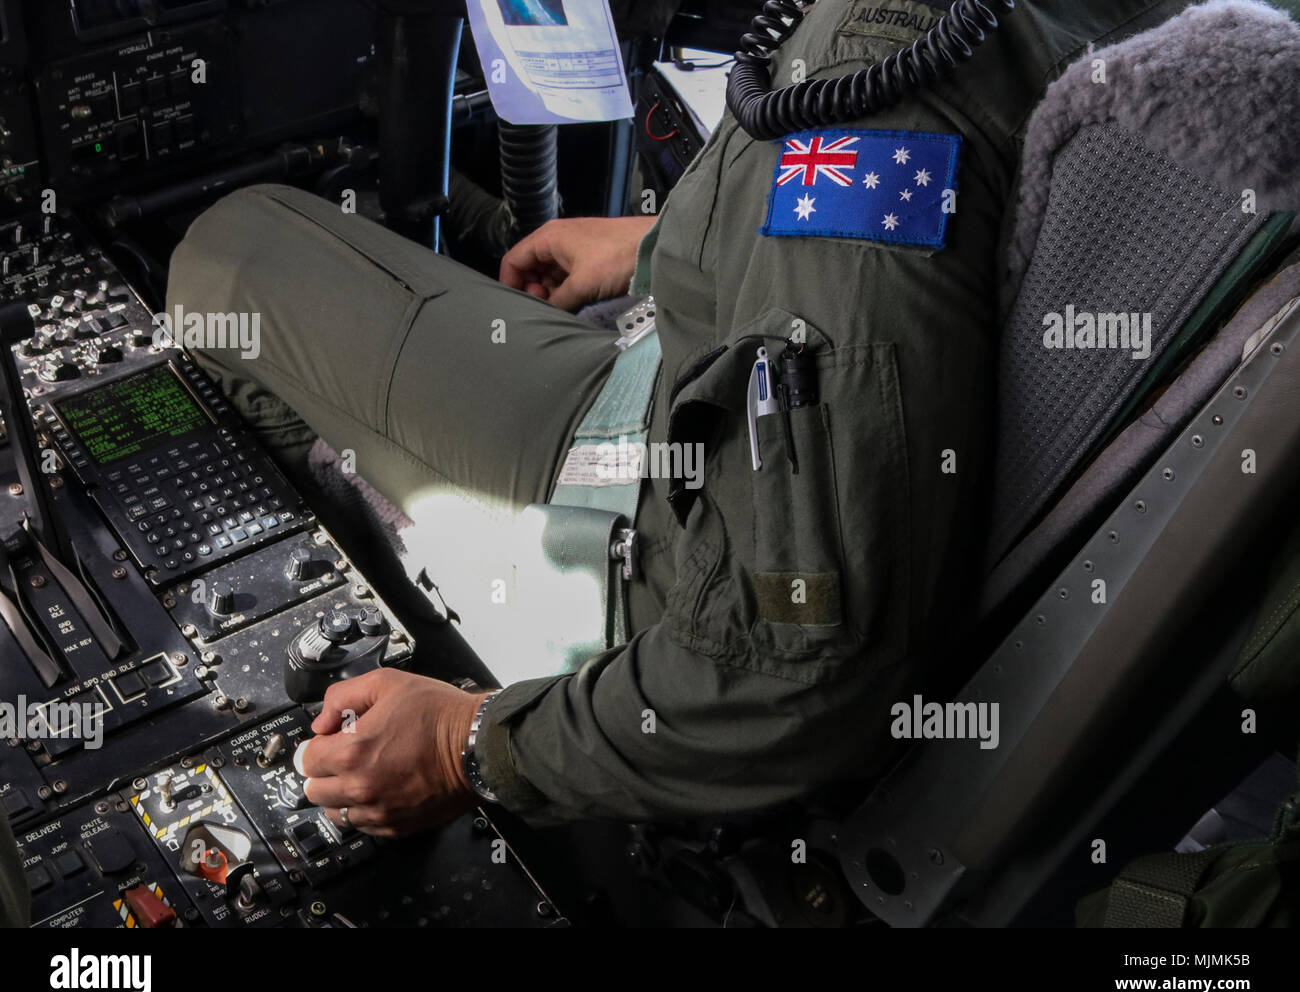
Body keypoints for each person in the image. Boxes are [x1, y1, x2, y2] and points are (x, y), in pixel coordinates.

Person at [164, 0, 1204, 837]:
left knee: (227, 254)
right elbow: (919, 251)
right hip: (716, 396)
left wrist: (470, 745)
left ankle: (449, 594)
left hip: (660, 543)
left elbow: (800, 661)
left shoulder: (889, 66)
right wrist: (679, 242)